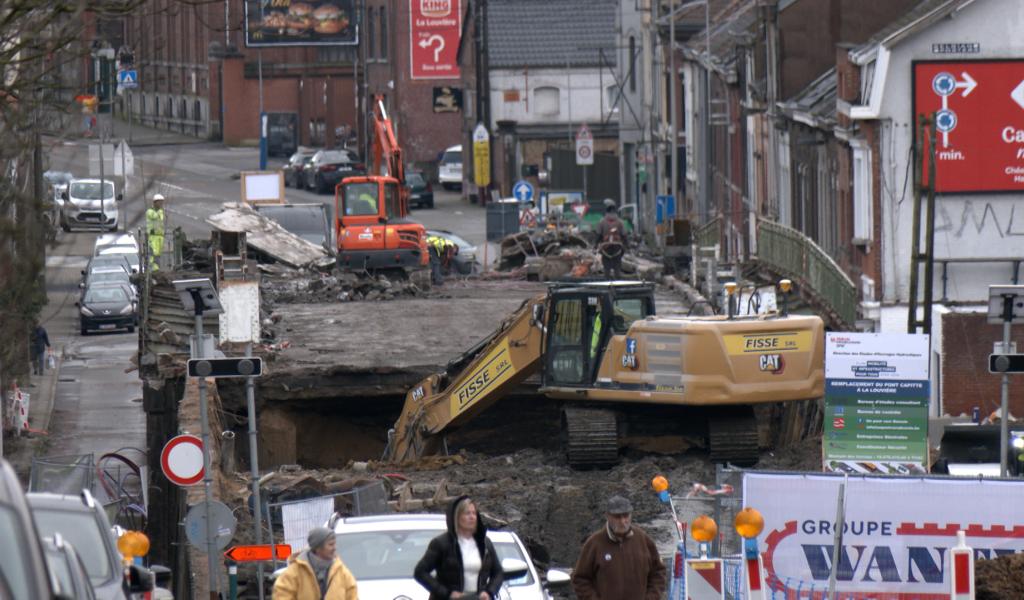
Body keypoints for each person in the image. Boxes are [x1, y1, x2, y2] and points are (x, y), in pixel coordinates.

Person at [571, 495, 666, 600]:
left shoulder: (643, 540)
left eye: (626, 516)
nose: (622, 521)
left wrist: (651, 597)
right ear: (607, 516)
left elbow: (658, 572)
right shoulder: (594, 543)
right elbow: (580, 579)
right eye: (617, 517)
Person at [415, 496, 504, 600]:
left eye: (474, 513)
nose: (472, 517)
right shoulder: (441, 543)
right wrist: (447, 594)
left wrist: (489, 592)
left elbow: (498, 572)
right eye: (467, 513)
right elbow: (420, 572)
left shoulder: (485, 543)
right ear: (456, 517)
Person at [272, 526, 359, 600]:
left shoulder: (342, 572)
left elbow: (352, 596)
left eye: (334, 544)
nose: (334, 548)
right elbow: (281, 595)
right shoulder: (294, 572)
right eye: (330, 544)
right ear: (318, 548)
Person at [594, 203, 626, 279]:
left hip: (605, 248)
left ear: (606, 212)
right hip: (617, 248)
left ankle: (607, 282)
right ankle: (618, 283)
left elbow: (598, 235)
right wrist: (627, 245)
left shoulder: (602, 222)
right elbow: (624, 235)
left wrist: (595, 245)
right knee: (617, 266)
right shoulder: (620, 222)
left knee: (606, 268)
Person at [146, 194, 166, 271]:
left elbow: (160, 217)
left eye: (162, 202)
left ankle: (157, 268)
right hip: (153, 235)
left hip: (160, 235)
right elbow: (154, 216)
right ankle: (153, 269)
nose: (161, 204)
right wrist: (158, 211)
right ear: (155, 202)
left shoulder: (160, 211)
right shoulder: (150, 211)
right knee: (153, 253)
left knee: (158, 253)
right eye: (160, 202)